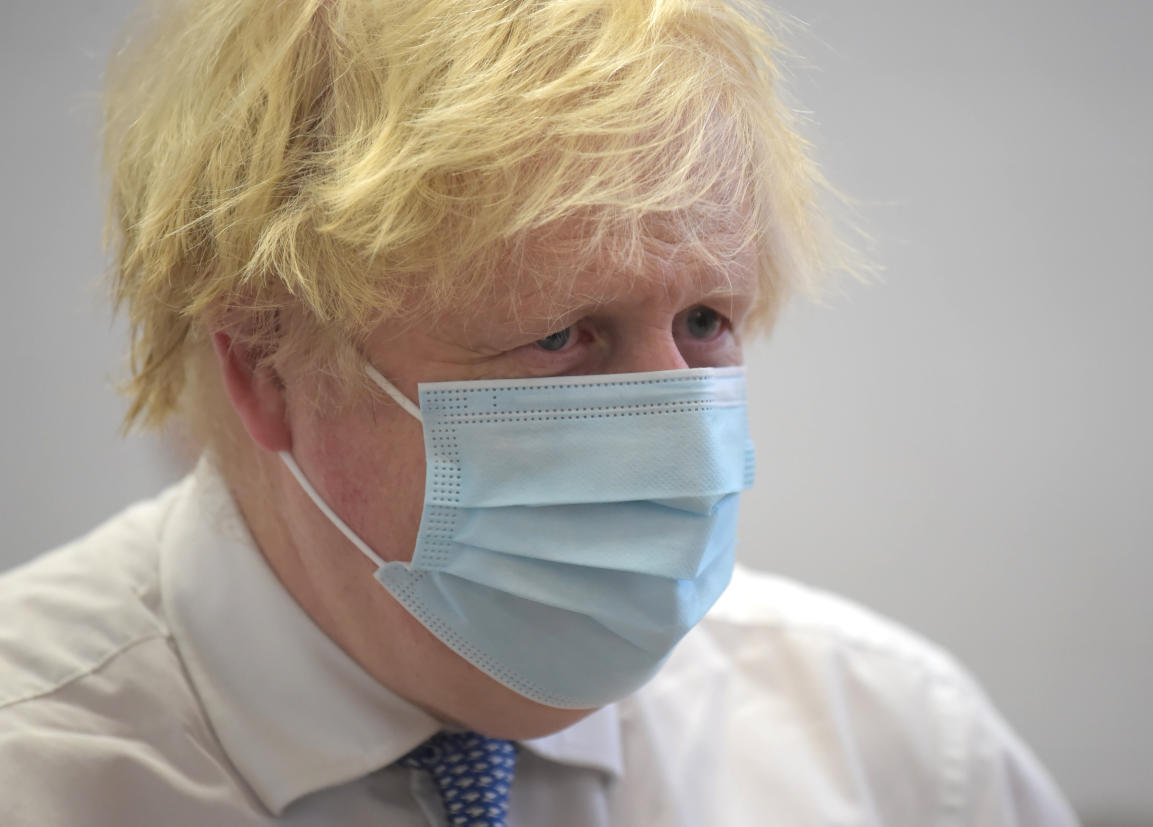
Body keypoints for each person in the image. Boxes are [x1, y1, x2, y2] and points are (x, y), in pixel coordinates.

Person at [0, 0, 1079, 824]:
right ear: (268, 367)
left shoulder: (894, 749)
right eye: (561, 336)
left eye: (706, 321)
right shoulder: (37, 764)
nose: (673, 427)